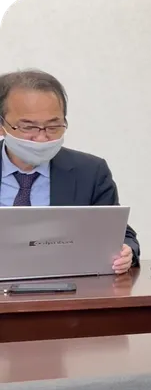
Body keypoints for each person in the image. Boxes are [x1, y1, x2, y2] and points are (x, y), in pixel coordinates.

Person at [0, 70, 139, 274]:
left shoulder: (90, 172)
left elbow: (121, 235)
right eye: (28, 127)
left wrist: (127, 252)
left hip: (67, 285)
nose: (42, 138)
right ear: (2, 125)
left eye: (53, 126)